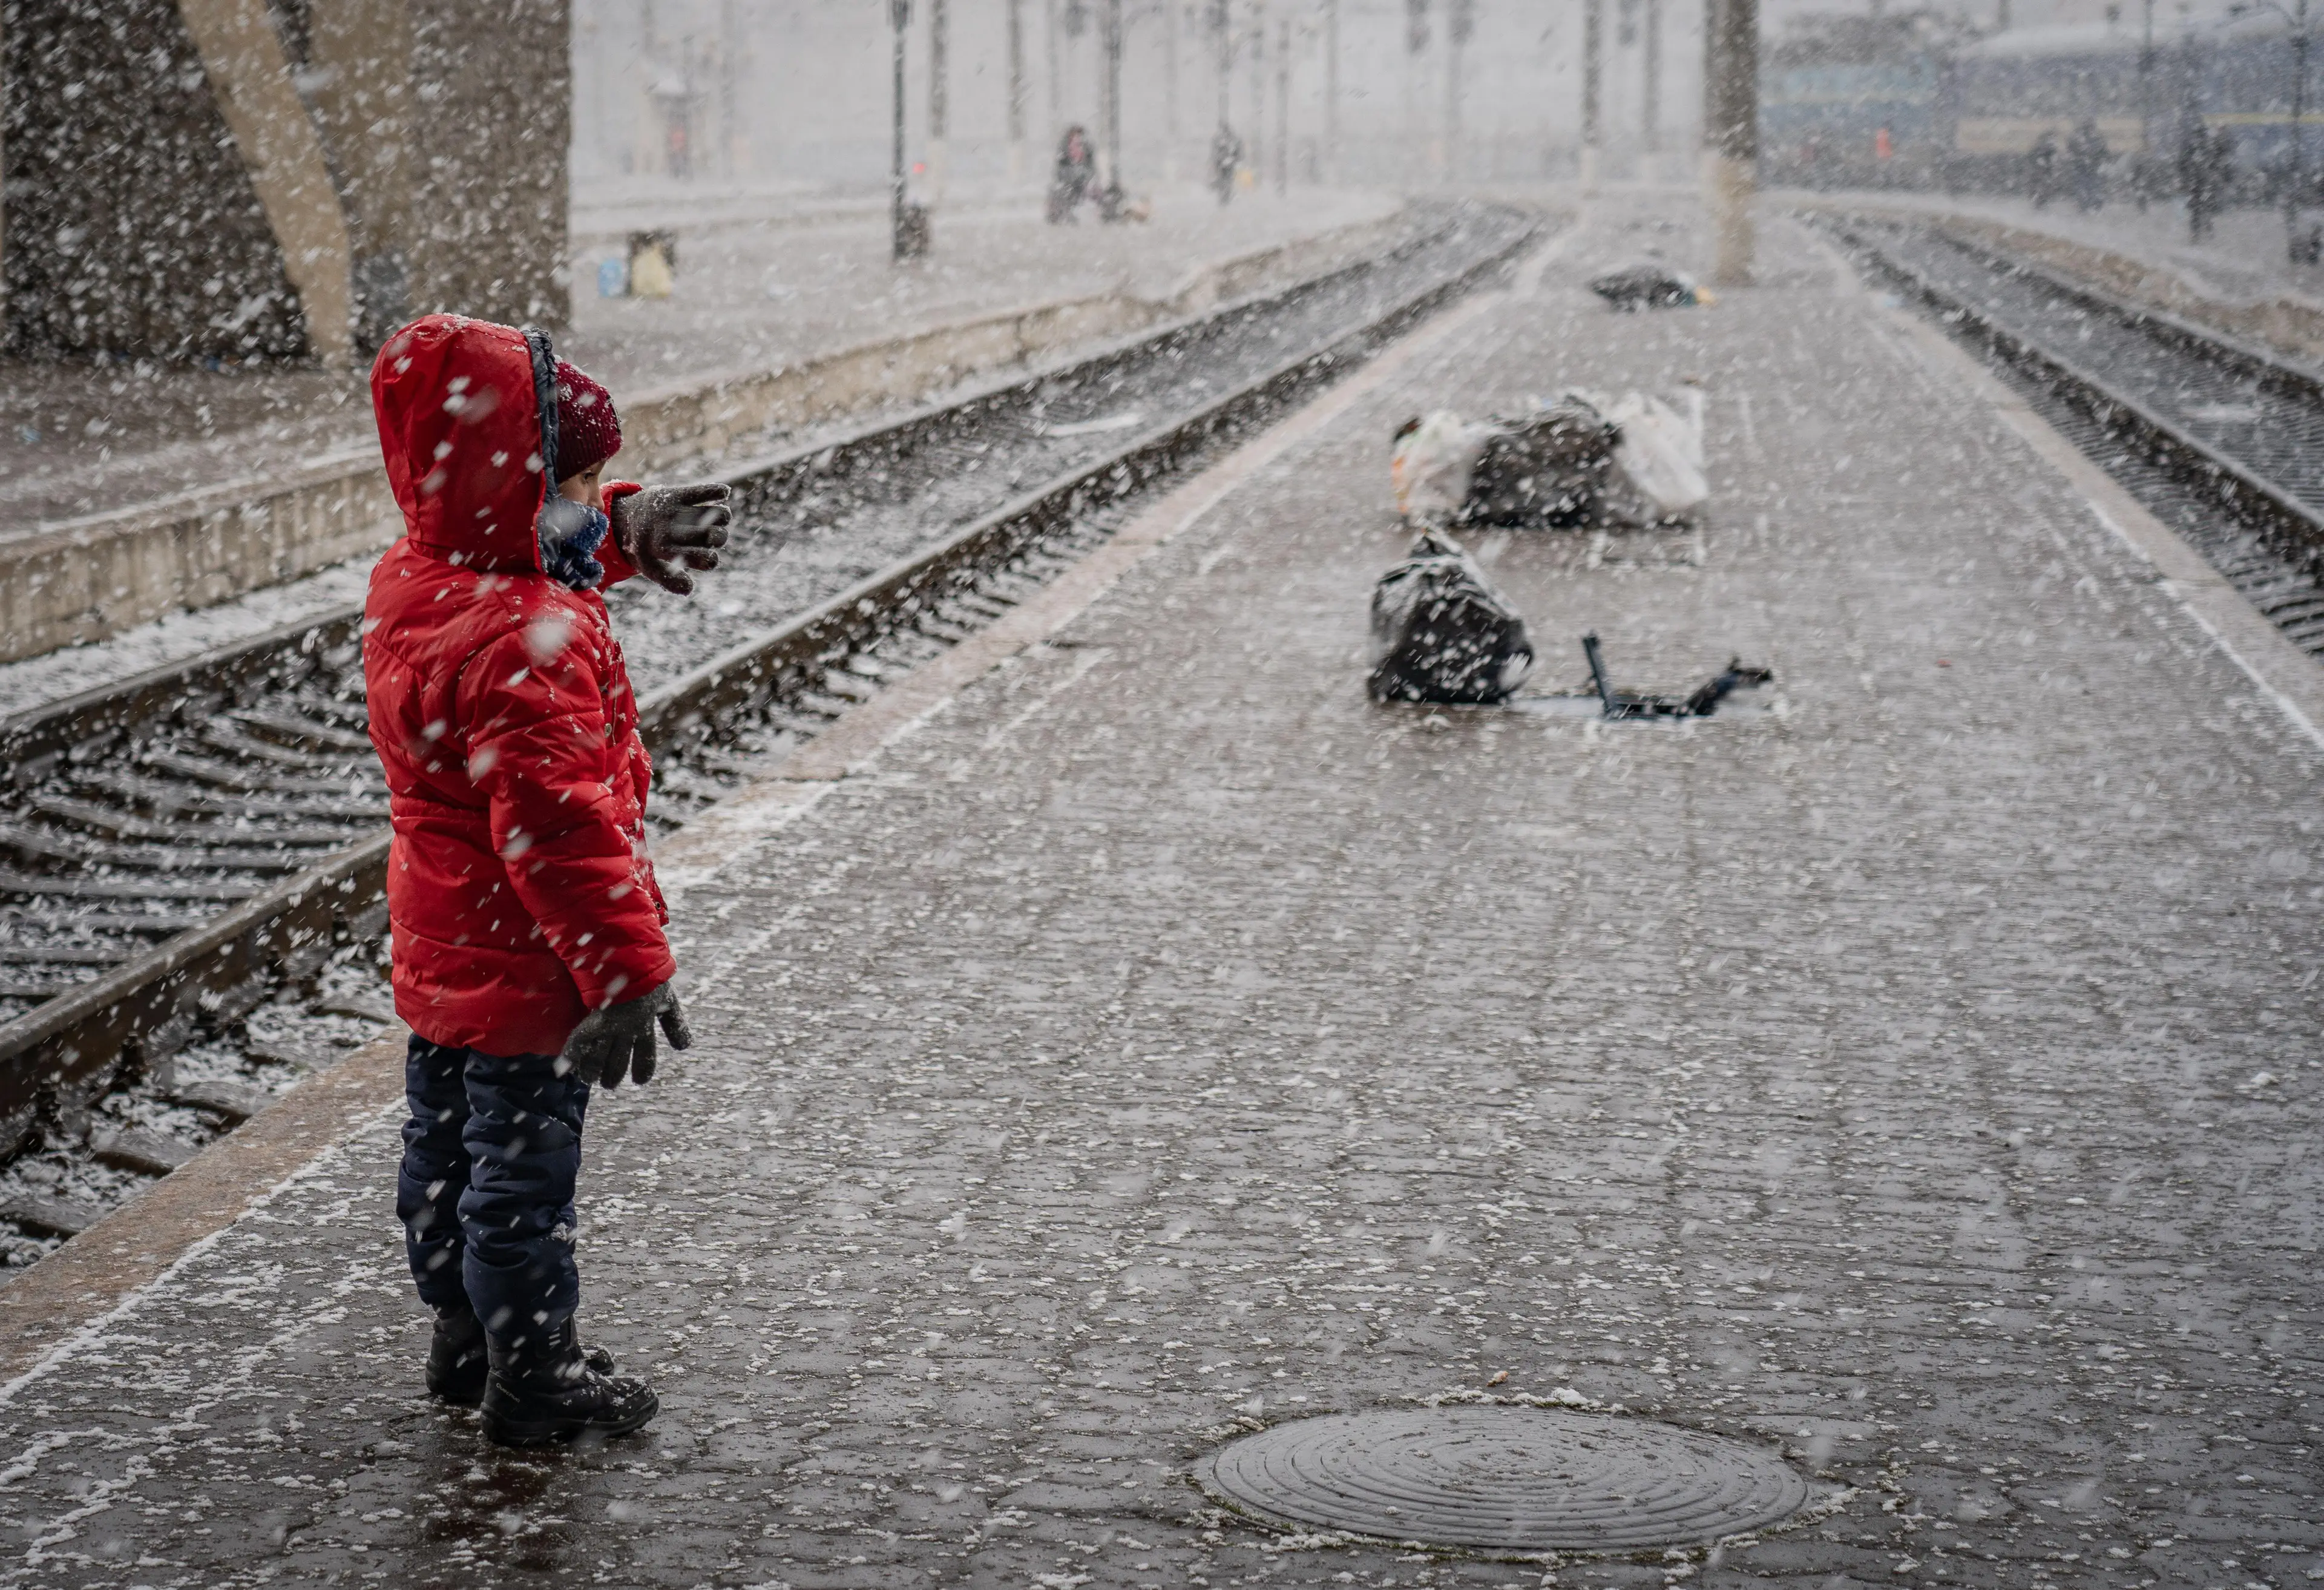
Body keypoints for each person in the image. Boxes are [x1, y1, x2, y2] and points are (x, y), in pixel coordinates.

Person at [364, 314, 732, 1447]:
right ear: (516, 488)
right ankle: (534, 1377)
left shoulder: (420, 574)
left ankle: (465, 1341)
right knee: (523, 1185)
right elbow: (563, 835)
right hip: (530, 962)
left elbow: (525, 543)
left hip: (444, 941)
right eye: (581, 484)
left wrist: (624, 526)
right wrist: (627, 975)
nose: (592, 502)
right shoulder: (535, 638)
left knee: (442, 1153)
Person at [1047, 124, 1096, 223]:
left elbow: (1091, 167)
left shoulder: (1087, 148)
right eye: (1075, 135)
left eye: (1079, 135)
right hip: (1067, 180)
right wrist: (1068, 176)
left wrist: (1084, 176)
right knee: (1061, 194)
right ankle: (1060, 214)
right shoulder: (1064, 147)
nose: (1077, 138)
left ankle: (1075, 214)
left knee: (1082, 195)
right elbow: (1060, 166)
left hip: (1082, 180)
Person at [2067, 117, 2109, 211]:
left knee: (2092, 189)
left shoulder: (2097, 139)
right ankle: (2088, 207)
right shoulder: (2079, 138)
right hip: (2083, 168)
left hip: (2092, 168)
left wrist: (2101, 161)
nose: (2090, 129)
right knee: (2086, 189)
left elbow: (2104, 153)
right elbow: (2071, 152)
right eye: (2088, 127)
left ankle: (2092, 206)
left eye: (2090, 127)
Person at [1210, 122, 1244, 206]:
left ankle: (1224, 199)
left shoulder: (1224, 139)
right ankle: (1224, 199)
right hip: (1225, 165)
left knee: (1226, 182)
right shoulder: (1231, 139)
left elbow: (1238, 154)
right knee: (1226, 182)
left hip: (1226, 165)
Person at [2027, 129, 2061, 209]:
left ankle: (2040, 202)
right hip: (2042, 171)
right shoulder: (2044, 147)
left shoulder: (2046, 147)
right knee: (2044, 187)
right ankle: (2039, 202)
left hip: (2045, 171)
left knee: (2045, 187)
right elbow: (2038, 158)